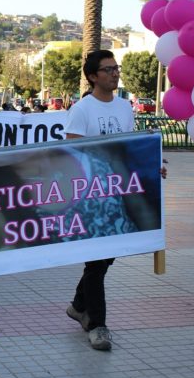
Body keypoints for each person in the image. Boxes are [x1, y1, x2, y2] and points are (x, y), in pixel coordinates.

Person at [64, 50, 165, 351]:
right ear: (93, 76)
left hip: (121, 192)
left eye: (116, 68)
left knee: (105, 259)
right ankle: (97, 325)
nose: (114, 73)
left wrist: (151, 165)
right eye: (107, 70)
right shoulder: (82, 110)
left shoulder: (124, 107)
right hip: (93, 196)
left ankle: (78, 305)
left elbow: (130, 148)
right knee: (97, 260)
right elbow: (72, 152)